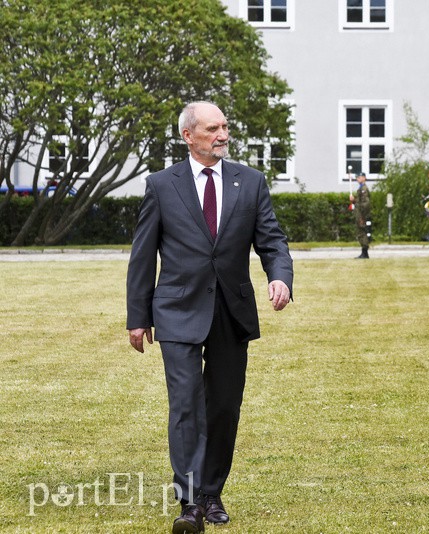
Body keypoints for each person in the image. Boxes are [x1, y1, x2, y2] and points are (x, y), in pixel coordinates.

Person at [126, 101, 293, 534]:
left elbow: (272, 240)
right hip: (177, 309)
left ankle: (211, 494)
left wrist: (280, 278)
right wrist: (137, 316)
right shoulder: (162, 186)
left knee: (222, 407)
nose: (223, 135)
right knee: (185, 407)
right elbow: (143, 256)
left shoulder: (250, 182)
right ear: (188, 136)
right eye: (212, 128)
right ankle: (189, 504)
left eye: (225, 127)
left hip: (230, 311)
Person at [351, 171, 371, 258]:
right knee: (360, 232)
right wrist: (354, 200)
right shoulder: (361, 188)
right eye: (357, 177)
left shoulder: (363, 189)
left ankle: (365, 252)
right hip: (360, 214)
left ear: (364, 178)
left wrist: (362, 216)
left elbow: (366, 203)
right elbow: (360, 202)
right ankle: (364, 252)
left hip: (362, 215)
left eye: (359, 177)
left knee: (362, 233)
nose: (357, 179)